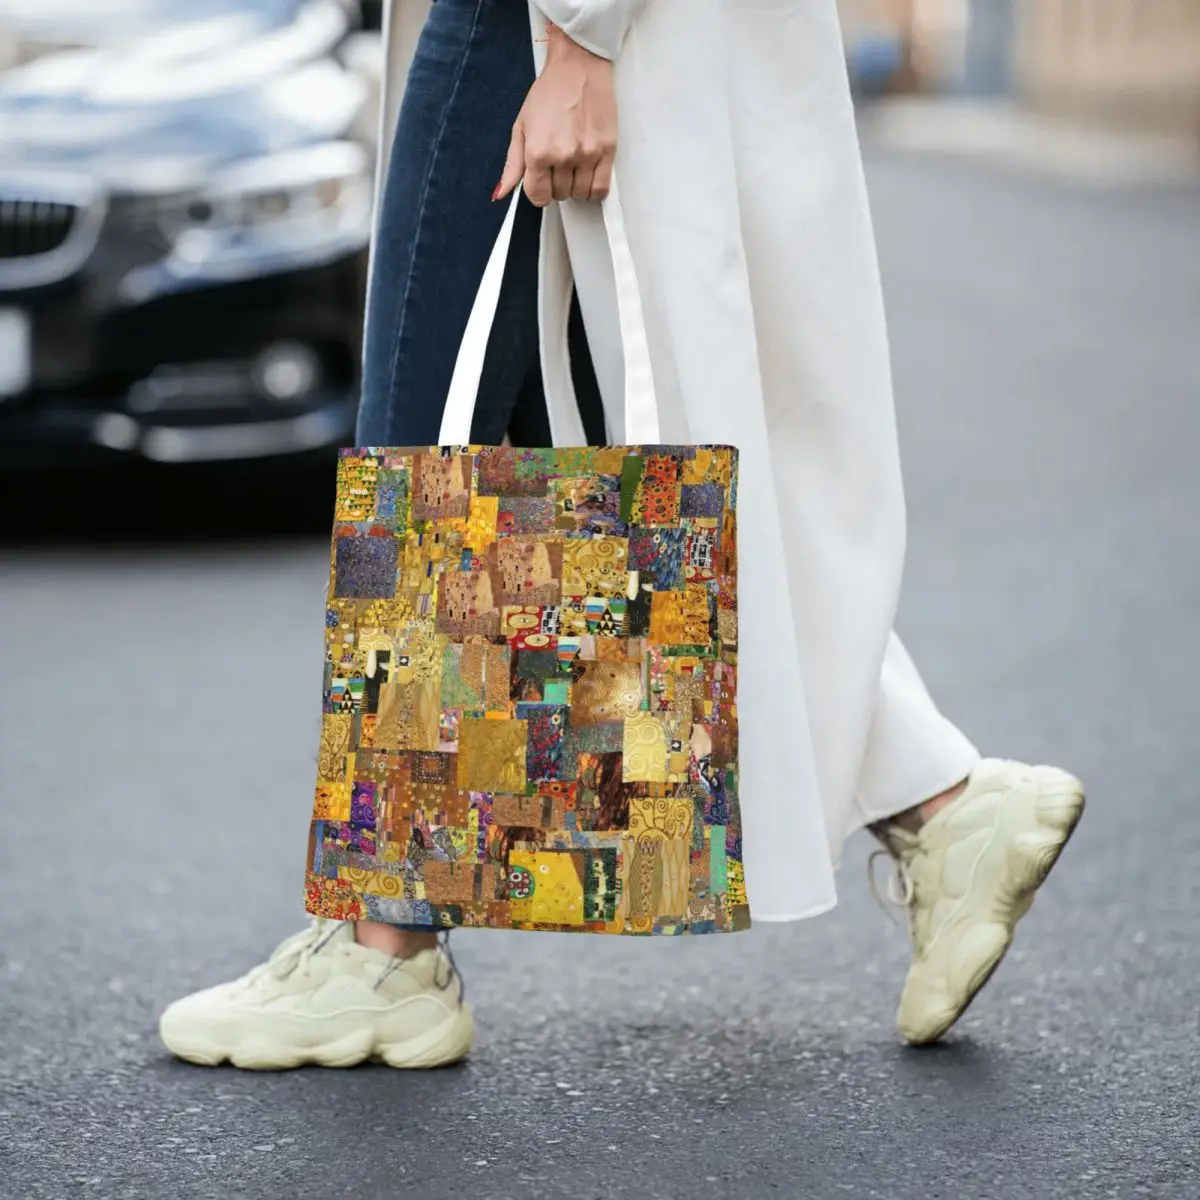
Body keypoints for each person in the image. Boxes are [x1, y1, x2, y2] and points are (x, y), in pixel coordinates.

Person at [159, 0, 1084, 1069]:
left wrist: (581, 37)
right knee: (585, 428)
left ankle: (382, 947)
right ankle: (942, 806)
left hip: (540, 24)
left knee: (431, 437)